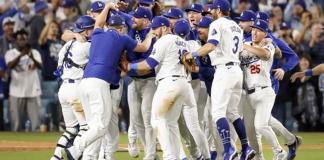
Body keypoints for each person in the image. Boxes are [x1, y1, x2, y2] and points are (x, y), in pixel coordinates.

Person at [65, 3, 155, 159]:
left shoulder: (97, 33)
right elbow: (143, 47)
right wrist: (151, 35)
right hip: (99, 84)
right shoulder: (122, 38)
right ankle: (75, 148)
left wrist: (107, 7)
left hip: (84, 82)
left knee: (94, 126)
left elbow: (99, 22)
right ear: (121, 28)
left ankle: (89, 157)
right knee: (101, 126)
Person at [120, 16, 208, 160]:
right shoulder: (183, 43)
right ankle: (194, 157)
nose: (153, 31)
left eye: (155, 28)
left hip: (169, 84)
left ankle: (169, 156)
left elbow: (149, 64)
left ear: (165, 27)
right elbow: (192, 68)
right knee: (172, 124)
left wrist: (130, 66)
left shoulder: (163, 41)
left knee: (156, 120)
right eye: (152, 28)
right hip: (185, 85)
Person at [183, 0, 255, 159]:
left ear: (219, 10)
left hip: (224, 69)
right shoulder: (237, 26)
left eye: (213, 9)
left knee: (217, 113)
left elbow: (211, 45)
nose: (211, 11)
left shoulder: (217, 23)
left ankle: (229, 149)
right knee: (233, 112)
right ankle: (246, 147)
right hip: (236, 70)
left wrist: (191, 55)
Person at [240, 19, 287, 160]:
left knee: (260, 125)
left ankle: (279, 151)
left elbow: (265, 54)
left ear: (265, 33)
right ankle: (258, 157)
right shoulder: (245, 44)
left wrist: (244, 46)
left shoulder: (269, 45)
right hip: (248, 94)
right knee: (250, 132)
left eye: (259, 30)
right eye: (253, 29)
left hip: (264, 91)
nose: (254, 32)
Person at [50, 15, 94, 160]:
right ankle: (73, 154)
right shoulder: (87, 46)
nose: (93, 31)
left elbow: (59, 67)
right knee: (86, 128)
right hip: (76, 90)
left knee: (71, 129)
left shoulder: (67, 45)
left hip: (63, 89)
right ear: (85, 31)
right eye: (90, 29)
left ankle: (56, 157)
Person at [5, 29, 42, 132]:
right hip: (16, 91)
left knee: (35, 125)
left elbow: (40, 66)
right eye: (20, 39)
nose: (22, 41)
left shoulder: (34, 52)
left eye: (24, 39)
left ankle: (36, 146)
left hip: (33, 90)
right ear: (16, 41)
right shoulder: (10, 53)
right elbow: (10, 65)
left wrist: (32, 57)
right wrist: (21, 55)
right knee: (15, 124)